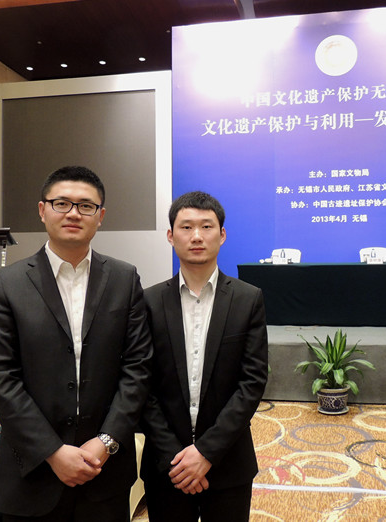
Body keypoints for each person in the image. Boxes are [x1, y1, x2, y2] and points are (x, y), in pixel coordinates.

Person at [0, 166, 152, 521]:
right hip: (31, 474)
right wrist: (52, 451)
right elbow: (0, 376)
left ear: (100, 216)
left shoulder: (124, 279)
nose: (73, 213)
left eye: (86, 206)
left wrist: (106, 441)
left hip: (104, 472)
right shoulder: (7, 284)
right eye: (62, 203)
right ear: (42, 210)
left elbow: (138, 367)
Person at [140, 191, 268, 522]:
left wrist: (206, 452)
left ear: (221, 235)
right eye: (186, 227)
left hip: (228, 462)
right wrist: (176, 457)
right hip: (167, 465)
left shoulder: (247, 299)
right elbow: (141, 383)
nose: (196, 236)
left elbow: (252, 382)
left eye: (206, 226)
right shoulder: (148, 302)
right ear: (171, 236)